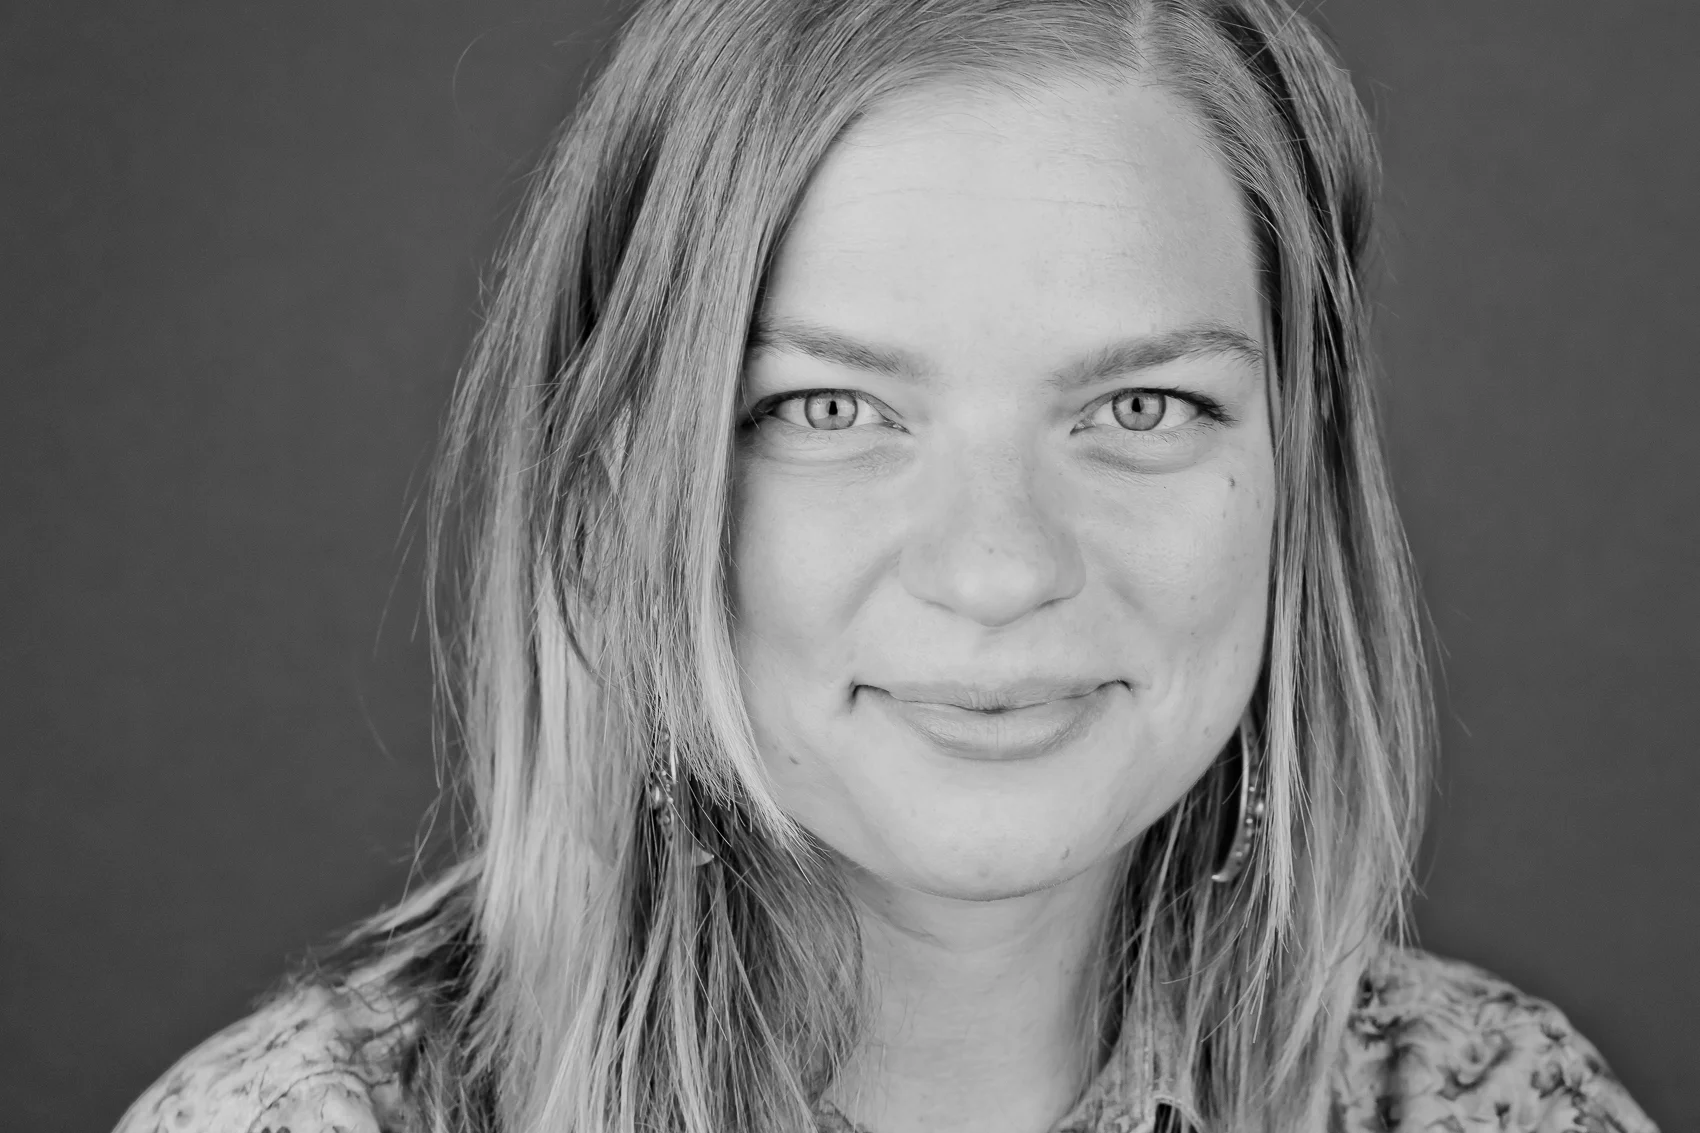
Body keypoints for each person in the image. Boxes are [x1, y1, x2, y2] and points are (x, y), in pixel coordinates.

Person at [112, 1, 1659, 1131]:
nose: (997, 569)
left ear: (1298, 480)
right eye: (829, 410)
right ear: (612, 490)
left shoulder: (1491, 1105)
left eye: (1140, 408)